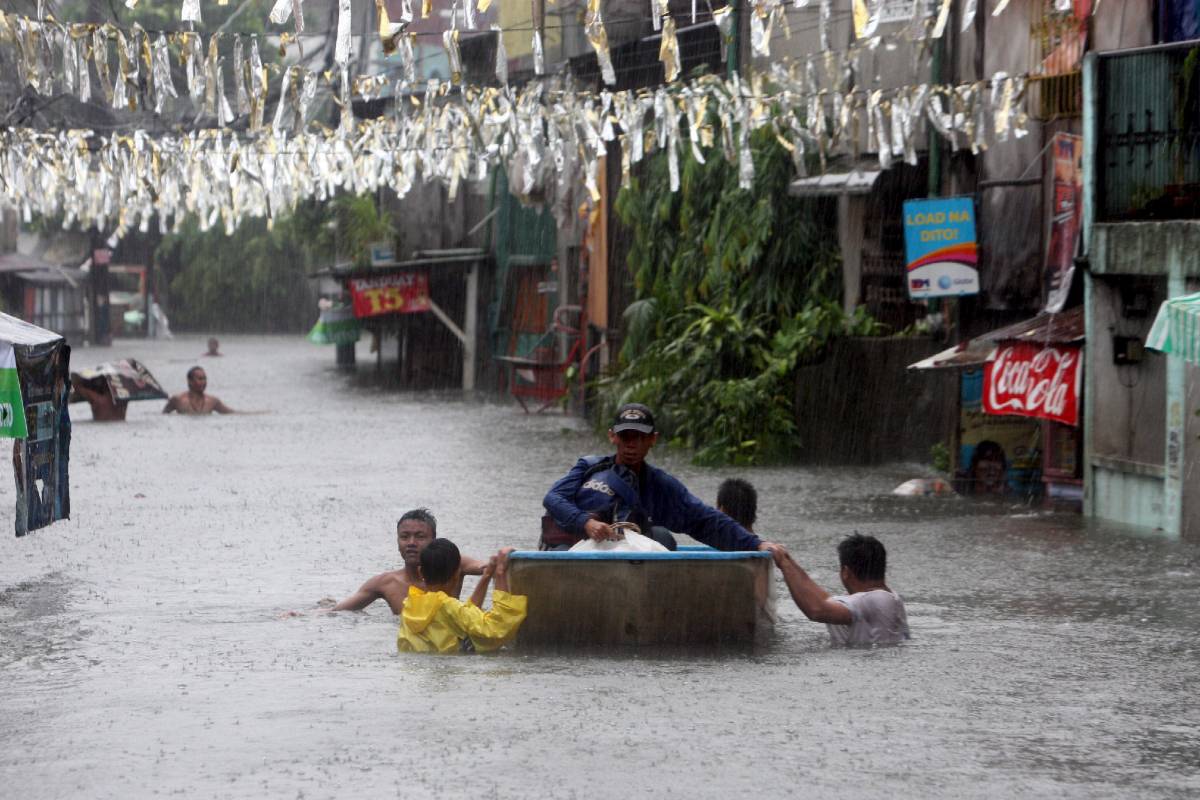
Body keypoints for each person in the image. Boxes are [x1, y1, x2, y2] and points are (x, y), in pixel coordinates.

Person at [542, 403, 781, 554]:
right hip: (575, 548)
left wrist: (756, 544)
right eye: (626, 437)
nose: (632, 445)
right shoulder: (588, 467)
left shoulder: (661, 486)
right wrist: (586, 523)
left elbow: (705, 519)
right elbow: (553, 498)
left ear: (652, 440)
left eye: (639, 438)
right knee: (562, 553)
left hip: (629, 560)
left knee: (663, 539)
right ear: (613, 437)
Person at [333, 508, 486, 614]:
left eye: (420, 536)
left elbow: (487, 567)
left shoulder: (453, 564)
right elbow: (339, 612)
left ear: (434, 540)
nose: (411, 543)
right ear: (397, 540)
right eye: (404, 537)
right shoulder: (385, 583)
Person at [771, 533, 909, 646]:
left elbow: (817, 609)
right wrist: (788, 560)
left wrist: (784, 563)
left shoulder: (874, 600)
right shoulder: (890, 597)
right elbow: (825, 600)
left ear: (845, 572)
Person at [397, 541, 527, 654]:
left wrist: (487, 576)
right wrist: (500, 572)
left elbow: (466, 615)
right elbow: (497, 628)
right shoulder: (448, 606)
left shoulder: (409, 603)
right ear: (456, 574)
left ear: (421, 572)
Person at [162, 366, 234, 415]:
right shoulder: (177, 400)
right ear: (190, 381)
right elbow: (163, 416)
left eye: (205, 379)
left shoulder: (213, 401)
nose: (204, 382)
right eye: (200, 379)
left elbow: (230, 413)